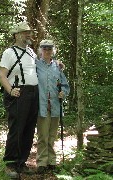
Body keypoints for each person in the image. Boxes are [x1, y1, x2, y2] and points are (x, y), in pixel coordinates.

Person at [0, 21, 38, 179]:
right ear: (16, 35)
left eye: (29, 32)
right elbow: (2, 75)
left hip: (33, 93)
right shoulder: (9, 52)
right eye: (24, 32)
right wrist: (10, 90)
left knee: (29, 128)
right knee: (16, 128)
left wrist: (56, 64)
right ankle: (10, 164)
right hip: (18, 93)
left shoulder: (31, 52)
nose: (28, 34)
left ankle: (21, 162)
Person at [35, 39, 70, 174]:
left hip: (55, 106)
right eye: (44, 48)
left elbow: (65, 85)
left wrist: (63, 92)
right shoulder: (35, 65)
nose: (47, 51)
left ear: (53, 50)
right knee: (42, 136)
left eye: (49, 49)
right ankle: (42, 162)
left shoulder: (58, 67)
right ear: (41, 50)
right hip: (42, 106)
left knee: (51, 135)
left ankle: (52, 161)